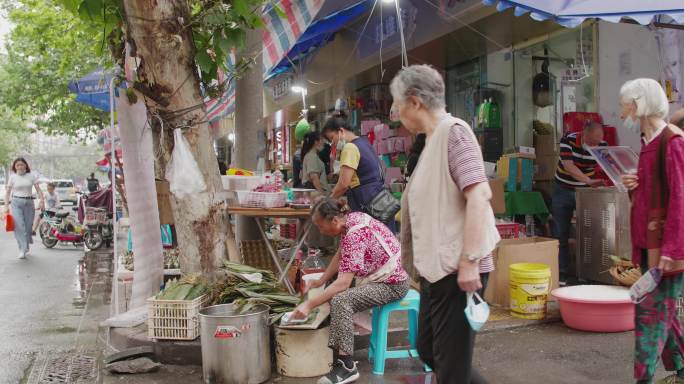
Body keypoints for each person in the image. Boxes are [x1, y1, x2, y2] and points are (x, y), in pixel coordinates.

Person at [390, 64, 500, 384]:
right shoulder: (430, 140)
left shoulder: (455, 132)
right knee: (429, 349)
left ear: (414, 101)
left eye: (398, 106)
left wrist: (469, 262)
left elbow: (479, 196)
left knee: (451, 366)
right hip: (437, 268)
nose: (397, 114)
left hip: (458, 267)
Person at [291, 197, 409, 384]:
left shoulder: (355, 234)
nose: (321, 231)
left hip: (393, 284)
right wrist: (321, 279)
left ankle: (347, 367)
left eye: (321, 227)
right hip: (385, 277)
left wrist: (308, 305)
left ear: (334, 221)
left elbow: (343, 283)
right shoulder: (352, 218)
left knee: (341, 300)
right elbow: (341, 254)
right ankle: (341, 356)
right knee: (335, 296)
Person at [619, 79, 684, 384]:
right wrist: (638, 183)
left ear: (640, 104)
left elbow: (682, 199)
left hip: (666, 251)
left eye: (625, 103)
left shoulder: (672, 142)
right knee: (663, 316)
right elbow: (658, 194)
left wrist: (674, 249)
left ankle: (642, 379)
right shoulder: (650, 142)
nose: (622, 110)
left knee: (650, 318)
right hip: (652, 248)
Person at [552, 120, 607, 281]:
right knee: (560, 232)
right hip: (563, 189)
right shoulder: (567, 140)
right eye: (591, 142)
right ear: (584, 133)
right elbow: (569, 166)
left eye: (597, 142)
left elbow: (607, 165)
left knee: (590, 232)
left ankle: (588, 273)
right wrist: (588, 180)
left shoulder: (602, 145)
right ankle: (561, 272)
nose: (594, 145)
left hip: (585, 193)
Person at [322, 116, 394, 231]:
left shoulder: (350, 147)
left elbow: (343, 183)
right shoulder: (364, 143)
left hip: (367, 201)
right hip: (380, 199)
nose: (333, 144)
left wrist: (328, 202)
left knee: (369, 240)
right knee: (383, 238)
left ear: (341, 131)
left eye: (332, 138)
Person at [4, 158, 45, 259]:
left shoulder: (31, 176)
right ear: (15, 167)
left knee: (27, 227)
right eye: (17, 165)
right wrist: (6, 206)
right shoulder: (12, 177)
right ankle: (22, 249)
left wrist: (42, 201)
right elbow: (8, 192)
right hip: (16, 202)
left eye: (22, 165)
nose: (20, 167)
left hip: (29, 203)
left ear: (25, 166)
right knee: (19, 227)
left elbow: (39, 190)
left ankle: (25, 245)